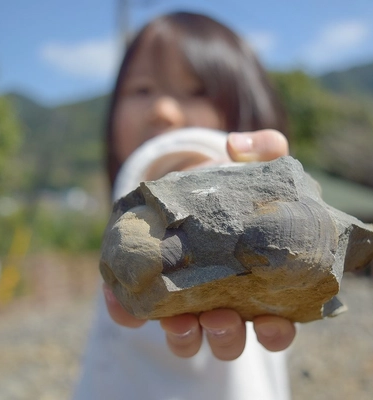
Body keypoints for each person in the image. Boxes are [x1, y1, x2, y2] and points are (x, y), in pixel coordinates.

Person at [74, 11, 295, 400]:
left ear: (246, 109)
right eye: (142, 90)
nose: (163, 111)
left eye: (195, 92)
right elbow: (143, 177)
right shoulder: (126, 208)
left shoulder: (252, 203)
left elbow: (185, 162)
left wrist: (217, 168)